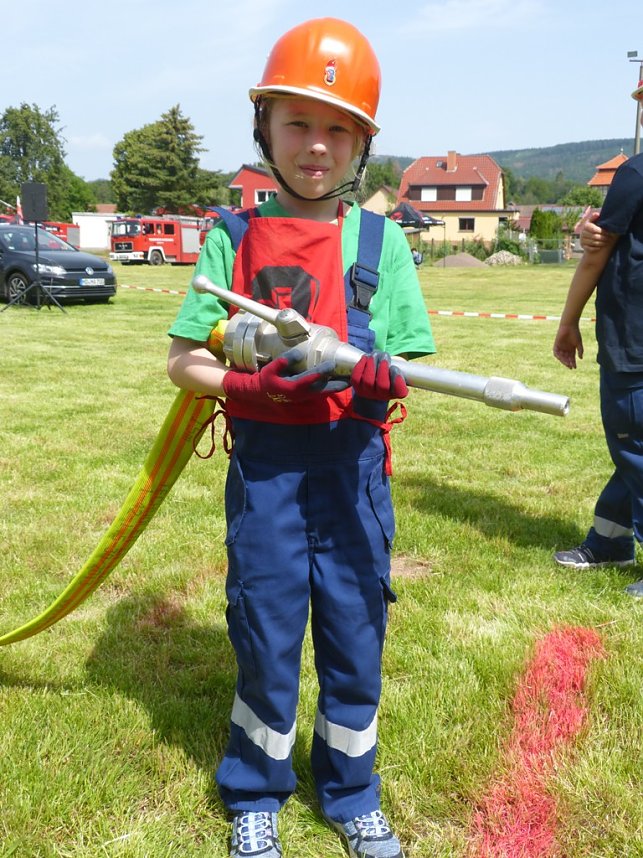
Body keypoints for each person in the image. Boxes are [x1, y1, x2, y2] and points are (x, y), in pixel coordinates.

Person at [167, 18, 435, 858]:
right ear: (264, 129)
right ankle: (256, 789)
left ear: (360, 144)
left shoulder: (380, 243)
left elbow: (412, 361)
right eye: (298, 123)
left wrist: (389, 376)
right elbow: (182, 362)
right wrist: (242, 384)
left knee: (356, 634)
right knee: (266, 629)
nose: (316, 145)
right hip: (269, 478)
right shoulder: (232, 237)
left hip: (352, 476)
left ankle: (351, 791)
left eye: (337, 129)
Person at [552, 116, 643, 598]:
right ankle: (610, 541)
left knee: (635, 446)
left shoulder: (635, 173)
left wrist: (567, 322)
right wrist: (600, 230)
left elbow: (596, 252)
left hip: (634, 348)